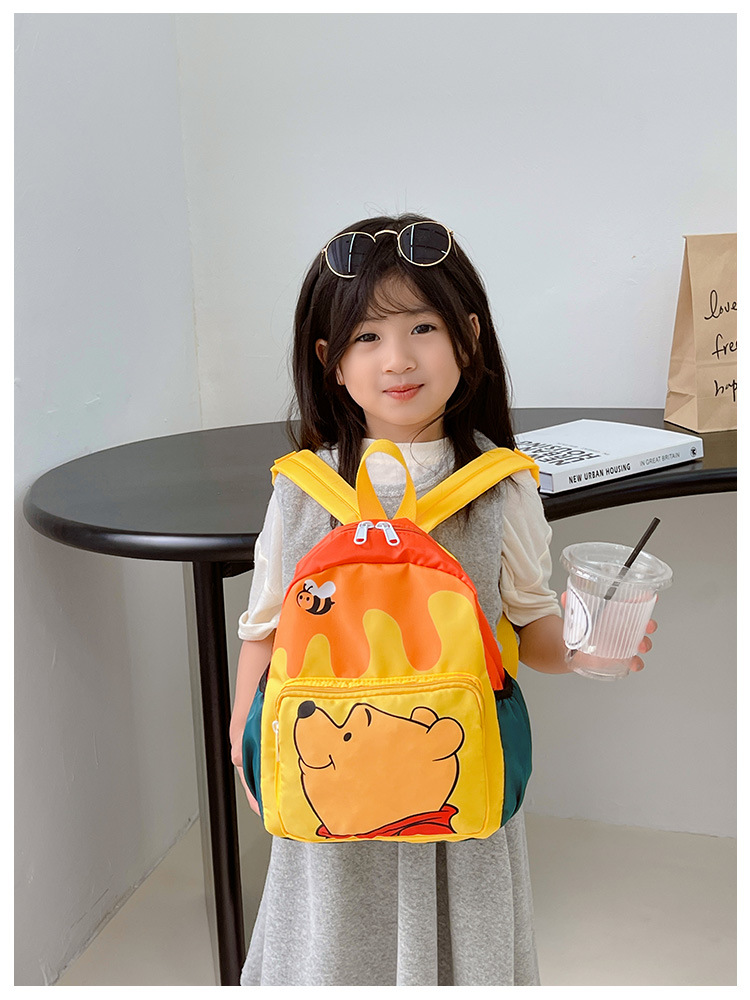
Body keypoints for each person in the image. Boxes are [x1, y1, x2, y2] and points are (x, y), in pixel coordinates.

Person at [229, 214, 658, 986]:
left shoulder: (501, 485)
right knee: (331, 954)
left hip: (454, 789)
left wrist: (586, 645)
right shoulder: (300, 488)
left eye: (422, 327)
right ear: (330, 361)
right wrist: (244, 737)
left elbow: (531, 626)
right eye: (367, 336)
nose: (397, 358)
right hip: (330, 783)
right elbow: (263, 629)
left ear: (468, 338)